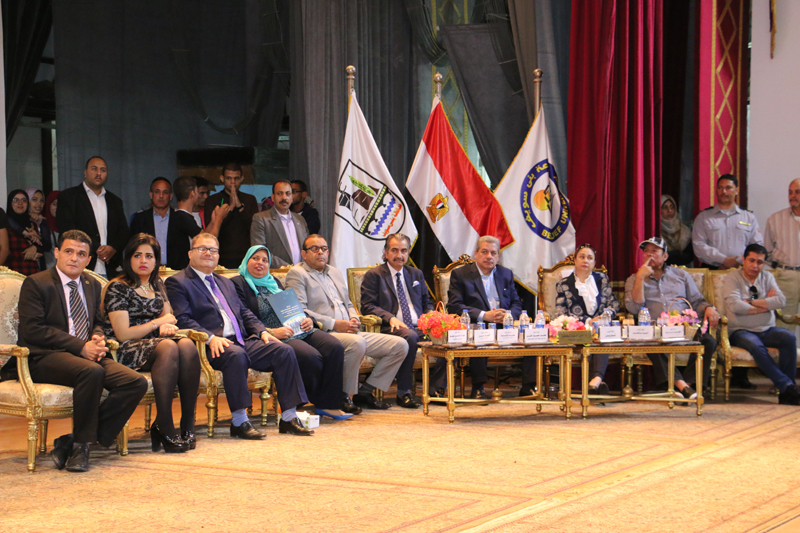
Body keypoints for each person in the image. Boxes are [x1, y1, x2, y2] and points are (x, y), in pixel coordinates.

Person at [0, 230, 148, 472]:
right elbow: (34, 330)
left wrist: (97, 337)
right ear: (57, 252)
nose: (74, 258)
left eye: (81, 254)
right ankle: (80, 447)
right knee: (91, 371)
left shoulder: (92, 284)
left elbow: (97, 321)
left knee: (134, 383)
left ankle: (71, 440)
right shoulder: (36, 283)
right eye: (68, 251)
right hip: (43, 357)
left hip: (83, 356)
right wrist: (80, 346)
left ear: (88, 260)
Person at [165, 232, 313, 437]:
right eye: (202, 249)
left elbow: (244, 312)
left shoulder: (225, 282)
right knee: (236, 355)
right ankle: (239, 421)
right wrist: (210, 337)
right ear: (190, 253)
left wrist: (262, 331)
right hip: (210, 344)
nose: (208, 253)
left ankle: (288, 417)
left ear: (218, 256)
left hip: (241, 340)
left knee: (284, 351)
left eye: (213, 250)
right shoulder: (178, 282)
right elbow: (183, 319)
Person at [285, 234, 408, 411]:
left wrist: (354, 319)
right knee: (357, 343)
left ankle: (365, 392)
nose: (320, 252)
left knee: (400, 345)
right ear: (304, 254)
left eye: (324, 249)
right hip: (324, 334)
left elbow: (348, 303)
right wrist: (334, 323)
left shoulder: (334, 272)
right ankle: (343, 396)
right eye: (314, 249)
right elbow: (300, 310)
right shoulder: (298, 273)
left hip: (350, 331)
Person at [102, 234, 201, 452]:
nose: (143, 261)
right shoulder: (117, 287)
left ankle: (188, 423)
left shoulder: (157, 284)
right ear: (128, 258)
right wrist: (157, 323)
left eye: (149, 256)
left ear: (156, 260)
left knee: (186, 345)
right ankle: (164, 423)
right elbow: (123, 334)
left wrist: (167, 325)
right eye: (137, 255)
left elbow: (169, 317)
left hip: (154, 343)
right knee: (168, 347)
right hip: (124, 348)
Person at [231, 245, 352, 420]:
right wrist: (271, 331)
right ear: (246, 261)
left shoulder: (273, 281)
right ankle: (308, 402)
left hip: (298, 329)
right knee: (310, 356)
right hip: (274, 335)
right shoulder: (238, 283)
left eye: (265, 260)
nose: (260, 263)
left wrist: (308, 319)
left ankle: (328, 404)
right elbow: (241, 317)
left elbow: (292, 307)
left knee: (334, 346)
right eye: (255, 258)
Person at [624, 237, 720, 399]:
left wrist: (709, 307)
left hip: (683, 328)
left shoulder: (681, 275)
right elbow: (634, 308)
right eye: (646, 251)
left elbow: (697, 302)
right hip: (655, 330)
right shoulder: (634, 279)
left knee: (708, 341)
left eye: (654, 251)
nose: (649, 255)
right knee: (651, 343)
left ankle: (688, 385)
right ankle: (683, 387)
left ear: (665, 256)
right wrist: (640, 278)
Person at [693, 174, 763, 389]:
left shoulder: (748, 217)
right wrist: (724, 260)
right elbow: (699, 246)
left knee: (740, 317)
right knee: (713, 318)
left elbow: (757, 245)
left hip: (743, 274)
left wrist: (740, 261)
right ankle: (707, 372)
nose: (724, 191)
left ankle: (740, 375)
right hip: (712, 273)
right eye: (720, 187)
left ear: (736, 190)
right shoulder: (704, 217)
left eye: (728, 187)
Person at [446, 236, 526, 399]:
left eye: (493, 253)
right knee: (481, 336)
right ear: (476, 253)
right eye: (484, 252)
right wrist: (484, 315)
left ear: (498, 256)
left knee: (532, 339)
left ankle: (529, 387)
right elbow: (454, 306)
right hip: (477, 324)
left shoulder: (506, 274)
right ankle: (478, 387)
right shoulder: (461, 274)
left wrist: (508, 315)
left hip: (505, 325)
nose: (489, 256)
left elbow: (517, 303)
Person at [360, 233, 433, 408]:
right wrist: (390, 318)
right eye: (394, 250)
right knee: (410, 336)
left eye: (403, 251)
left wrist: (430, 317)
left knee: (446, 337)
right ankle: (403, 393)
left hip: (419, 327)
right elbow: (367, 306)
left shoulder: (416, 274)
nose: (399, 255)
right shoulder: (375, 275)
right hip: (390, 328)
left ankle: (436, 390)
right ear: (386, 252)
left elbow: (427, 302)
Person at [723, 244, 799, 405]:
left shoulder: (768, 277)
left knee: (788, 337)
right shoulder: (732, 277)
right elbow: (735, 306)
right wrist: (766, 305)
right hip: (741, 330)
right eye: (751, 260)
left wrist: (751, 303)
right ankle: (788, 386)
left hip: (767, 329)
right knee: (756, 346)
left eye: (760, 262)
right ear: (743, 260)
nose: (755, 266)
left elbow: (781, 301)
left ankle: (787, 392)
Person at [554, 244, 620, 394]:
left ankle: (595, 381)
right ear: (575, 260)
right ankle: (596, 381)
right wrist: (588, 322)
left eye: (590, 258)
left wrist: (605, 316)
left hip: (601, 328)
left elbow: (614, 304)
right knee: (596, 335)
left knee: (601, 334)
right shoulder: (564, 284)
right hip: (577, 330)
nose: (585, 260)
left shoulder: (602, 279)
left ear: (594, 262)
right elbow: (561, 313)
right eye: (582, 257)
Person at [57, 156, 130, 276]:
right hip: (79, 266)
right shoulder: (68, 197)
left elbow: (124, 231)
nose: (98, 173)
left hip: (111, 268)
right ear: (85, 173)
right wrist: (97, 248)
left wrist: (113, 248)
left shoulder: (115, 201)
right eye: (94, 169)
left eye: (103, 170)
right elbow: (67, 229)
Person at [203, 162, 259, 268]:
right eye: (229, 178)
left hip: (246, 255)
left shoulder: (250, 199)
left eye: (236, 178)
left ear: (242, 179)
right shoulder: (212, 200)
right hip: (221, 255)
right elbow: (211, 229)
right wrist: (231, 208)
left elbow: (254, 227)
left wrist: (240, 207)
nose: (233, 182)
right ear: (222, 178)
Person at [764, 179, 800, 331]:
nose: (793, 196)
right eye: (790, 192)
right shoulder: (775, 219)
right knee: (785, 321)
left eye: (797, 192)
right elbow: (767, 251)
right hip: (787, 276)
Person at [250, 180, 308, 267]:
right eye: (280, 193)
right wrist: (288, 268)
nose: (284, 197)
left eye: (288, 193)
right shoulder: (261, 219)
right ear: (273, 197)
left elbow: (307, 248)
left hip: (301, 272)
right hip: (276, 273)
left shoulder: (300, 219)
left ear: (292, 197)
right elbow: (259, 250)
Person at [5, 190, 42, 275]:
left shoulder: (31, 224)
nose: (20, 203)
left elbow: (42, 247)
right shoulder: (5, 226)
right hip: (12, 274)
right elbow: (4, 252)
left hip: (32, 273)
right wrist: (27, 255)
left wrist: (35, 248)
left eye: (24, 200)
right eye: (15, 200)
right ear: (10, 203)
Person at [660, 194, 694, 266]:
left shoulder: (685, 230)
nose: (669, 211)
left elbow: (689, 256)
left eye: (672, 207)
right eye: (665, 207)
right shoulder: (655, 231)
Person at [25, 188, 53, 271]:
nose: (39, 204)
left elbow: (47, 246)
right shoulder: (20, 219)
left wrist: (38, 237)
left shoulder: (42, 221)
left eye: (42, 201)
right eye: (34, 200)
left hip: (39, 265)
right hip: (21, 264)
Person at [43, 190, 60, 269]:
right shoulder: (43, 225)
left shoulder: (69, 227)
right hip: (46, 271)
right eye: (54, 204)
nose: (57, 208)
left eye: (61, 204)